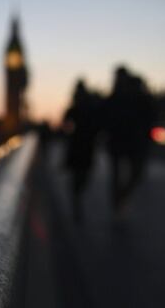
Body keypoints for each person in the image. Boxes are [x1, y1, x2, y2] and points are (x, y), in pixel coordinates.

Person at [104, 67, 155, 213]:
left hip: (135, 142)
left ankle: (121, 197)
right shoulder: (114, 97)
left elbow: (150, 114)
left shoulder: (138, 94)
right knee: (117, 176)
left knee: (136, 174)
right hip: (118, 141)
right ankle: (117, 203)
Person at [63, 79, 101, 222]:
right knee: (81, 177)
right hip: (82, 146)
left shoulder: (83, 108)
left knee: (80, 178)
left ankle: (76, 201)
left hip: (81, 146)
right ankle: (76, 205)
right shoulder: (79, 108)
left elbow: (66, 125)